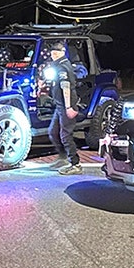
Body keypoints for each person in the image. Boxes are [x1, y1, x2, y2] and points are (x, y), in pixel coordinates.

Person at [45, 40, 83, 175]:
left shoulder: (62, 67)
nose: (53, 55)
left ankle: (75, 164)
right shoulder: (57, 65)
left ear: (63, 53)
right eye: (52, 52)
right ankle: (63, 157)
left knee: (66, 135)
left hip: (66, 105)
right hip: (60, 105)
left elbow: (65, 87)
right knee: (53, 132)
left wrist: (69, 107)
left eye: (56, 52)